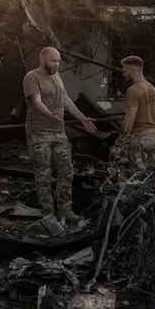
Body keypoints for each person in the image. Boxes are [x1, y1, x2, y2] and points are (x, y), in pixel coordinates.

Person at [22, 46, 97, 223]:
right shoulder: (31, 77)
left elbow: (65, 99)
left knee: (67, 172)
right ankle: (48, 215)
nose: (56, 64)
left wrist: (82, 118)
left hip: (58, 132)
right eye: (53, 61)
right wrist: (51, 115)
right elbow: (36, 101)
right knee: (43, 175)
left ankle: (65, 211)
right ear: (43, 59)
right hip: (39, 133)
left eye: (58, 61)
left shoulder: (56, 75)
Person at [111, 55, 155, 174]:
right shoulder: (152, 89)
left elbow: (130, 119)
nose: (123, 73)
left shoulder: (132, 90)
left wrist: (120, 140)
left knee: (137, 180)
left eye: (124, 69)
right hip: (152, 137)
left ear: (133, 69)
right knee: (151, 179)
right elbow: (154, 114)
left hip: (139, 139)